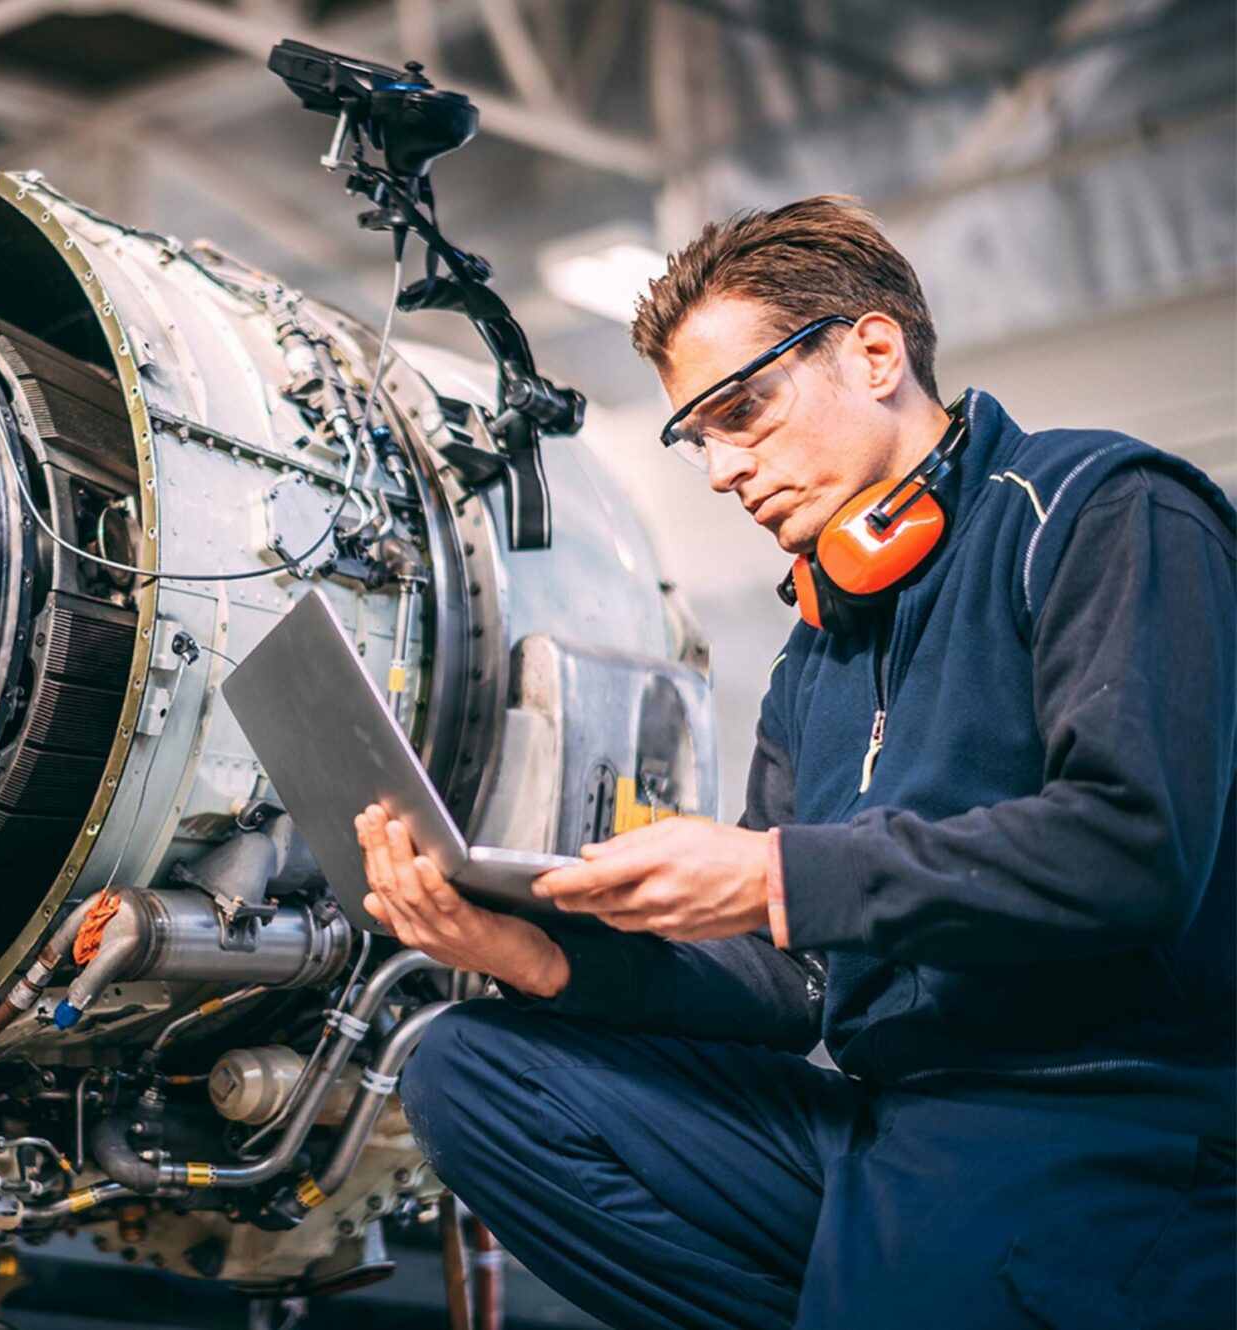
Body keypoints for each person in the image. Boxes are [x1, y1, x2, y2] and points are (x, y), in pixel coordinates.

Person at [357, 196, 1236, 1329]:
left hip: (1109, 1120)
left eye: (743, 410)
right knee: (470, 1074)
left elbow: (1132, 846)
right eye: (699, 435)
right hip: (888, 1121)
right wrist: (530, 954)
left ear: (874, 352)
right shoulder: (818, 649)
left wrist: (775, 874)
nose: (722, 469)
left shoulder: (1101, 512)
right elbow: (788, 987)